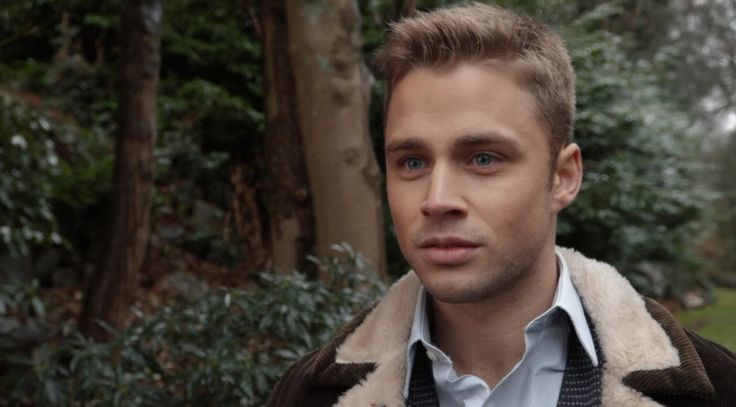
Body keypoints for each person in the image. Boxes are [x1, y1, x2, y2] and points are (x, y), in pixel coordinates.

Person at [266, 3, 736, 406]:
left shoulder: (715, 388)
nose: (437, 200)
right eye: (412, 162)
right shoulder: (309, 394)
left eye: (483, 158)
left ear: (563, 177)